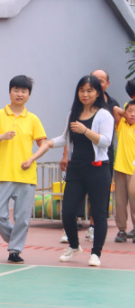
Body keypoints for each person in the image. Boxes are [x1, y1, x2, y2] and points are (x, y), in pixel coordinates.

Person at [48, 75, 113, 267]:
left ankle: (96, 253)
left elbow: (106, 141)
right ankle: (74, 246)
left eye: (90, 90)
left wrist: (85, 130)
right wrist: (47, 143)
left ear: (98, 92)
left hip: (98, 169)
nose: (85, 94)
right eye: (82, 90)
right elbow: (64, 138)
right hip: (76, 169)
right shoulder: (73, 113)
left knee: (99, 213)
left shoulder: (104, 115)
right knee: (67, 212)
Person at [0, 75, 49, 264]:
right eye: (16, 90)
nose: (19, 94)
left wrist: (31, 159)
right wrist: (1, 137)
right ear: (10, 91)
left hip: (26, 175)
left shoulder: (33, 119)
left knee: (22, 218)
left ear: (29, 95)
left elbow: (44, 144)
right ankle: (15, 239)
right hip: (2, 173)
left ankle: (15, 250)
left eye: (24, 91)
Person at [111, 101, 135, 242]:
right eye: (130, 111)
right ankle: (121, 230)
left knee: (134, 202)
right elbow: (115, 109)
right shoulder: (122, 126)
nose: (133, 114)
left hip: (134, 171)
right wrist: (126, 114)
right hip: (120, 169)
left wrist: (129, 112)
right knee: (120, 202)